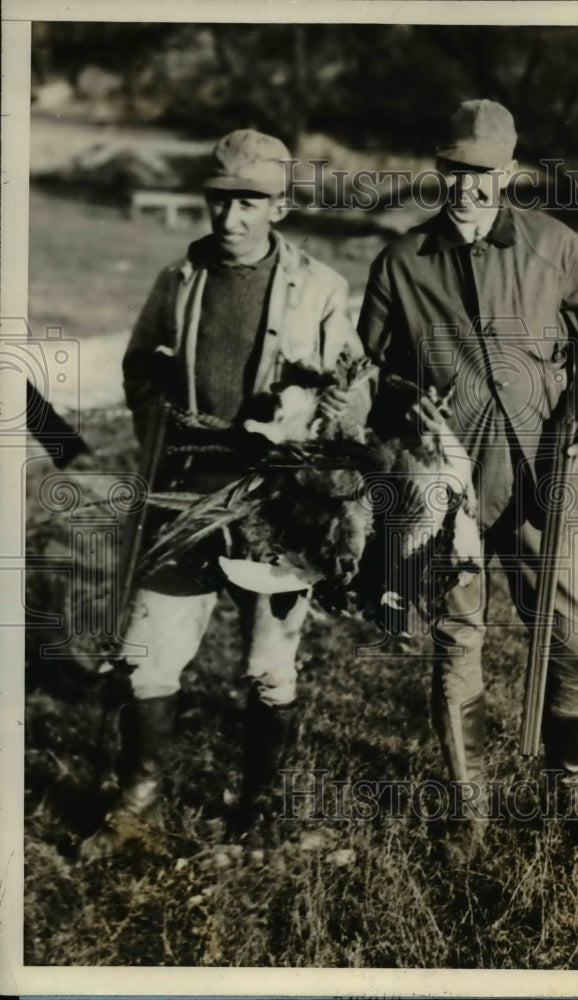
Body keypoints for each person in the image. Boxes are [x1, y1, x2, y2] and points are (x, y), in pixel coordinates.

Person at [357, 100, 578, 859]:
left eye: (483, 174)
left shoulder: (557, 250)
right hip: (448, 491)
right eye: (454, 171)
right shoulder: (401, 262)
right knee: (457, 644)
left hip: (543, 483)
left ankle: (568, 785)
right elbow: (367, 374)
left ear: (510, 173)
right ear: (439, 168)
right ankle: (468, 807)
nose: (467, 189)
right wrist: (398, 405)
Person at [84, 129, 369, 856]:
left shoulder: (323, 288)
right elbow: (139, 366)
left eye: (247, 203)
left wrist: (305, 421)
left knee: (270, 665)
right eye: (219, 200)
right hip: (184, 499)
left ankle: (258, 808)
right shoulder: (178, 280)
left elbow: (352, 394)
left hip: (278, 507)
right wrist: (164, 427)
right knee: (148, 657)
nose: (229, 218)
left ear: (278, 205)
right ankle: (135, 812)